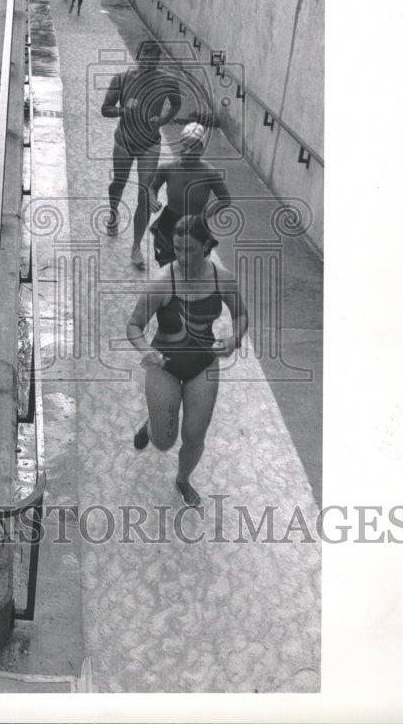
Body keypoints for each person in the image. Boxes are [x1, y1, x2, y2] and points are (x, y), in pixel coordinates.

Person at [126, 214, 248, 507]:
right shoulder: (162, 282)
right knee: (164, 441)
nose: (181, 256)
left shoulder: (222, 278)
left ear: (206, 246)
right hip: (164, 364)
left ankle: (183, 479)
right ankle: (152, 426)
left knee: (194, 434)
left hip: (202, 364)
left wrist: (234, 339)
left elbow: (241, 314)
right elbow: (133, 326)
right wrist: (145, 351)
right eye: (177, 249)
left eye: (189, 250)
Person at [101, 43, 181, 268]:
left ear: (158, 61)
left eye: (153, 60)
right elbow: (105, 108)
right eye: (145, 58)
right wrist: (124, 110)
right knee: (119, 183)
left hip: (150, 144)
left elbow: (176, 103)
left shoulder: (167, 81)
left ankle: (136, 246)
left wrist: (164, 119)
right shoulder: (121, 79)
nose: (149, 63)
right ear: (137, 56)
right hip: (124, 141)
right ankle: (113, 211)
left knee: (145, 194)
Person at [148, 122, 231, 265]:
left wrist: (206, 214)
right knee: (168, 263)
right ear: (180, 145)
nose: (188, 151)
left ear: (201, 149)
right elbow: (152, 187)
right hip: (170, 222)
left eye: (194, 147)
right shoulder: (168, 168)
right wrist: (152, 200)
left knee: (193, 265)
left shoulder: (209, 173)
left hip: (196, 224)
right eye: (185, 145)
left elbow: (225, 200)